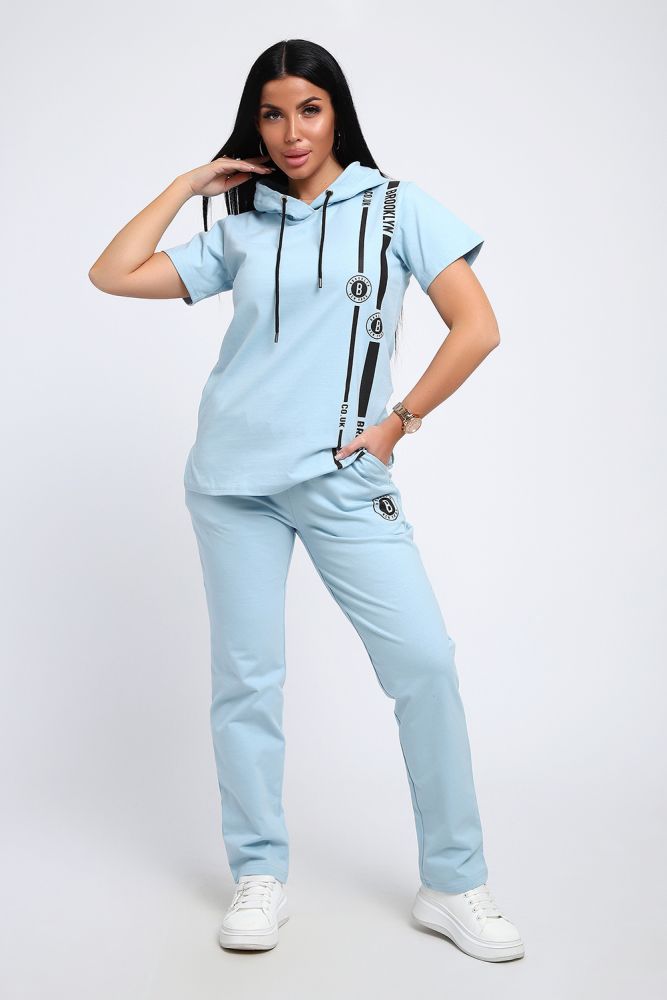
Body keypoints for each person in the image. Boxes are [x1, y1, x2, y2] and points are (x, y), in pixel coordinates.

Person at [88, 38, 525, 962]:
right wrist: (187, 186)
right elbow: (113, 273)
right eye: (272, 114)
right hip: (230, 485)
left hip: (341, 479)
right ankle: (259, 875)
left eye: (309, 110)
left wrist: (398, 422)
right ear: (255, 125)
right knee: (246, 683)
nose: (291, 132)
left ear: (337, 114)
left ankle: (454, 882)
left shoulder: (396, 206)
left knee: (425, 665)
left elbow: (476, 327)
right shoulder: (241, 229)